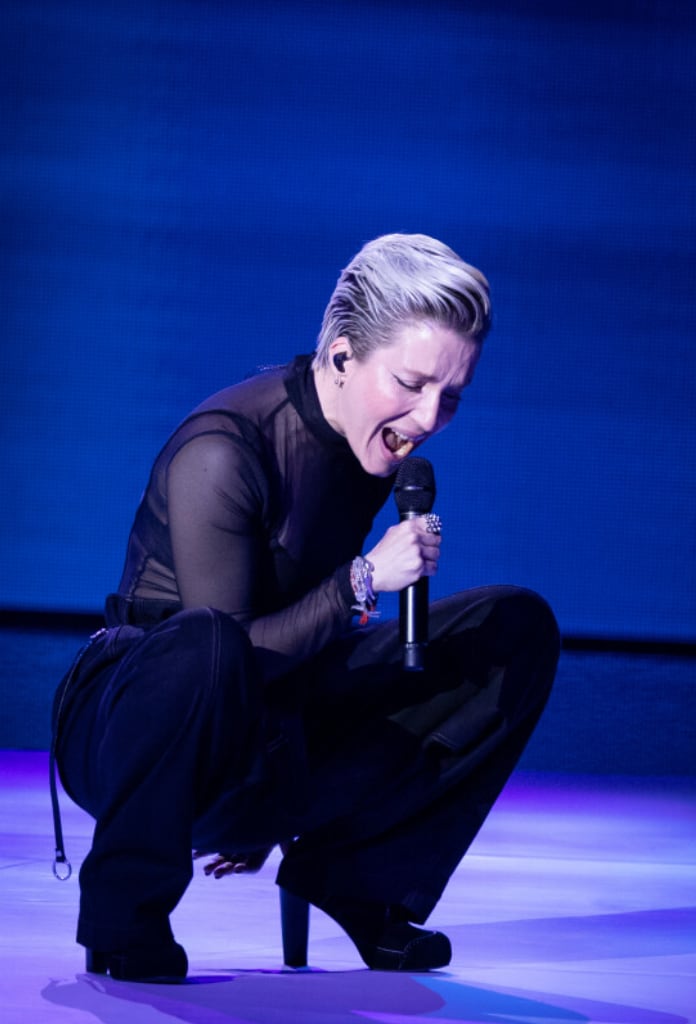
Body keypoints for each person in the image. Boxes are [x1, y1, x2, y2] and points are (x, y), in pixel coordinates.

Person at [52, 233, 560, 982]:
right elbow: (231, 656)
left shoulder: (370, 444)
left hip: (270, 711)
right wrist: (363, 580)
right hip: (137, 724)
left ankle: (359, 882)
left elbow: (301, 643)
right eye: (412, 383)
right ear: (344, 356)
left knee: (515, 628)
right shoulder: (224, 450)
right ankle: (123, 918)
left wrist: (279, 789)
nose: (428, 416)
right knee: (206, 645)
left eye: (451, 396)